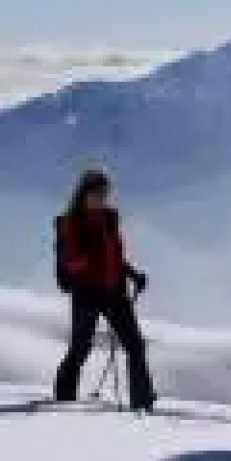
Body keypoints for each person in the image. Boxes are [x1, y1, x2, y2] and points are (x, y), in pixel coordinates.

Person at [51, 168, 157, 412]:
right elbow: (71, 261)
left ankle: (142, 402)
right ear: (84, 193)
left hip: (114, 291)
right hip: (87, 293)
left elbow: (115, 258)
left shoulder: (109, 219)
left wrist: (133, 274)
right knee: (80, 348)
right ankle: (64, 400)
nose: (102, 197)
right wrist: (86, 259)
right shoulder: (70, 222)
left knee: (135, 345)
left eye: (105, 193)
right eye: (98, 192)